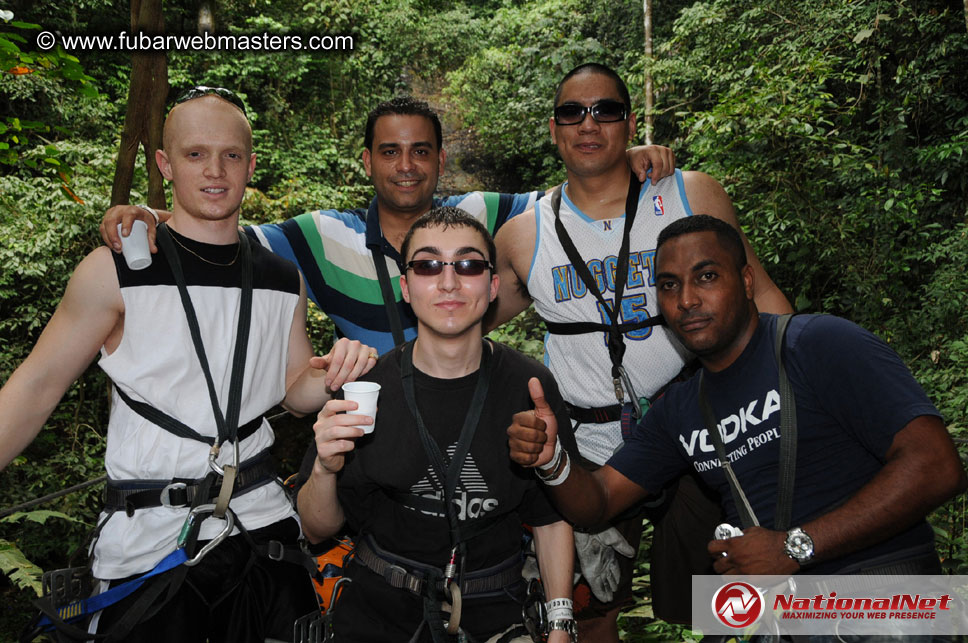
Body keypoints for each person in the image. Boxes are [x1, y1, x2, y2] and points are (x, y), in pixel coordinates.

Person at [0, 87, 375, 640]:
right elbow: (34, 388)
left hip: (262, 527)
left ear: (251, 164)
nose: (215, 170)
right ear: (165, 164)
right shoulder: (117, 271)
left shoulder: (279, 276)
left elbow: (293, 390)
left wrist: (336, 372)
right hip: (149, 541)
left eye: (231, 155)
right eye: (195, 154)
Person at [486, 63, 793, 638]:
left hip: (700, 425)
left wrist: (802, 385)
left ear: (629, 124)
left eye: (605, 110)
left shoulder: (686, 192)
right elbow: (457, 317)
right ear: (553, 130)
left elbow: (763, 293)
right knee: (595, 600)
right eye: (573, 113)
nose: (589, 123)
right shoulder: (525, 234)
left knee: (734, 588)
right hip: (592, 445)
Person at [508, 214, 966, 583]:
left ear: (746, 281)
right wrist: (553, 460)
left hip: (888, 593)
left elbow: (937, 465)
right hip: (782, 614)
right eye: (668, 285)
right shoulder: (681, 410)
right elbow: (600, 500)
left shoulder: (816, 344)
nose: (686, 300)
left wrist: (793, 547)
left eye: (706, 276)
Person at [100, 95, 676, 355]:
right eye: (390, 152)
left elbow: (574, 198)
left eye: (421, 152)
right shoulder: (322, 237)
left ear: (440, 160)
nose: (406, 167)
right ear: (367, 160)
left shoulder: (482, 214)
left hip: (466, 415)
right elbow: (218, 228)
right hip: (367, 434)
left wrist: (624, 158)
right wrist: (153, 216)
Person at [298, 207, 579, 642]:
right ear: (406, 288)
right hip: (379, 610)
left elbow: (550, 517)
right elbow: (318, 528)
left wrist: (560, 624)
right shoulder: (364, 389)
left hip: (496, 608)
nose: (449, 282)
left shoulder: (530, 386)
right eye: (429, 265)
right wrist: (324, 469)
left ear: (493, 286)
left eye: (468, 265)